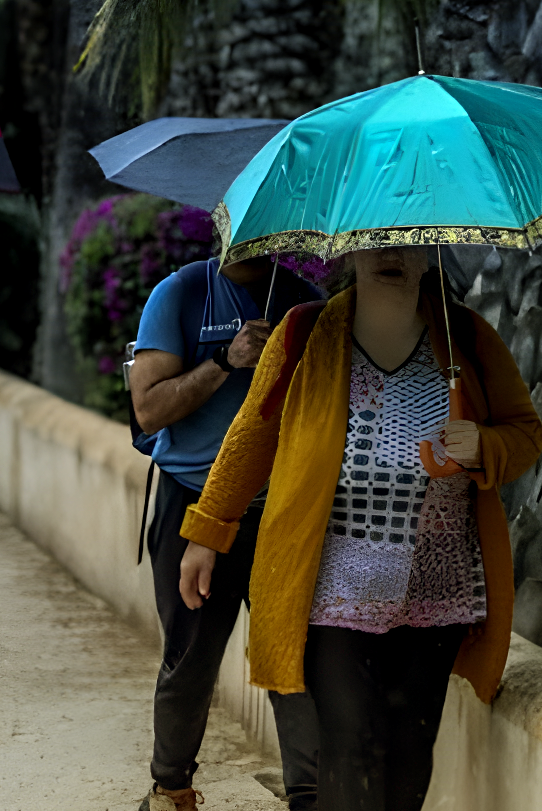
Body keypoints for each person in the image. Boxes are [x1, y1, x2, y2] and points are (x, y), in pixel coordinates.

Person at [177, 246, 542, 811]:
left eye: (410, 241)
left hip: (436, 586)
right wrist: (206, 532)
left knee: (410, 745)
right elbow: (251, 437)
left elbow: (525, 433)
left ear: (431, 255)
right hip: (334, 584)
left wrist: (484, 445)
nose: (393, 254)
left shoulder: (465, 335)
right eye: (378, 241)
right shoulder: (305, 333)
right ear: (350, 249)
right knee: (352, 743)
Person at [128, 254, 323, 811]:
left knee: (293, 651)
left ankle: (308, 795)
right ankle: (171, 789)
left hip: (279, 507)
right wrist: (226, 359)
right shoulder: (183, 293)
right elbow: (147, 409)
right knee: (190, 654)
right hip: (190, 502)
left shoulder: (306, 304)